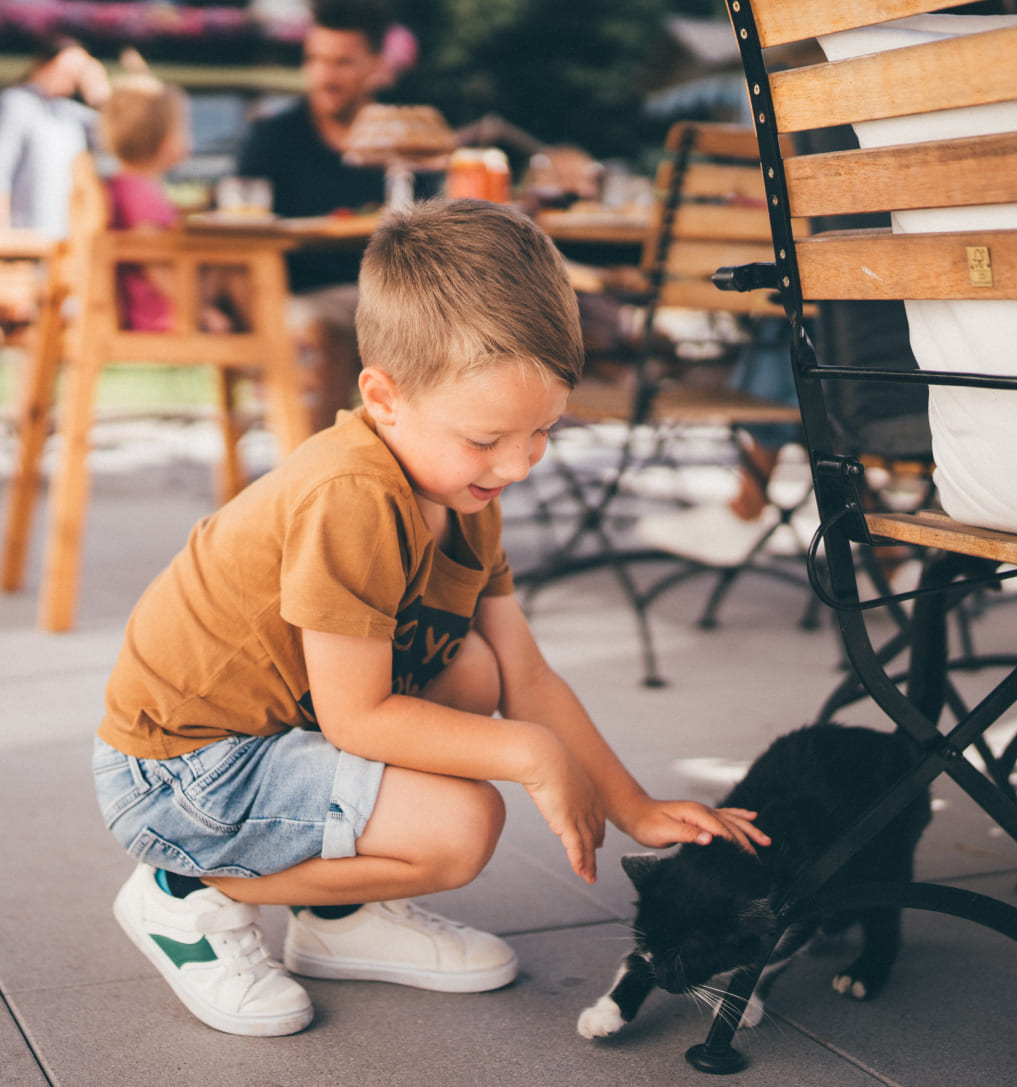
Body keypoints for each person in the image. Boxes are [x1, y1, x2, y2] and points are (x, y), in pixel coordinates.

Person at [92, 198, 769, 1038]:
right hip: (183, 772)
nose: (518, 463)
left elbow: (523, 673)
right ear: (383, 396)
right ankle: (182, 893)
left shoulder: (457, 484)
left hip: (277, 737)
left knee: (477, 664)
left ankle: (339, 919)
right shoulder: (352, 494)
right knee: (462, 825)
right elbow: (356, 716)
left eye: (543, 431)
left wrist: (630, 804)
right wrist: (531, 752)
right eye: (487, 437)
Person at [235, 0, 403, 430]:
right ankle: (314, 477)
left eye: (342, 63)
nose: (325, 76)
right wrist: (258, 317)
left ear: (376, 66)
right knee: (331, 329)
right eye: (315, 60)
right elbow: (237, 233)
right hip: (294, 296)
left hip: (383, 294)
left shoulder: (402, 141)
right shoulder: (273, 139)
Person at [100, 72, 245, 333]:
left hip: (152, 308)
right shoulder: (140, 194)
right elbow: (154, 264)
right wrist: (199, 312)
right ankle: (275, 356)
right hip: (161, 315)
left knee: (234, 263)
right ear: (167, 141)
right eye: (183, 127)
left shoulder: (125, 185)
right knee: (243, 263)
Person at [0, 35, 110, 238]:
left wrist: (99, 93)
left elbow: (117, 143)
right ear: (45, 64)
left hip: (63, 239)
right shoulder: (17, 103)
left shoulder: (68, 112)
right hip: (25, 237)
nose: (73, 76)